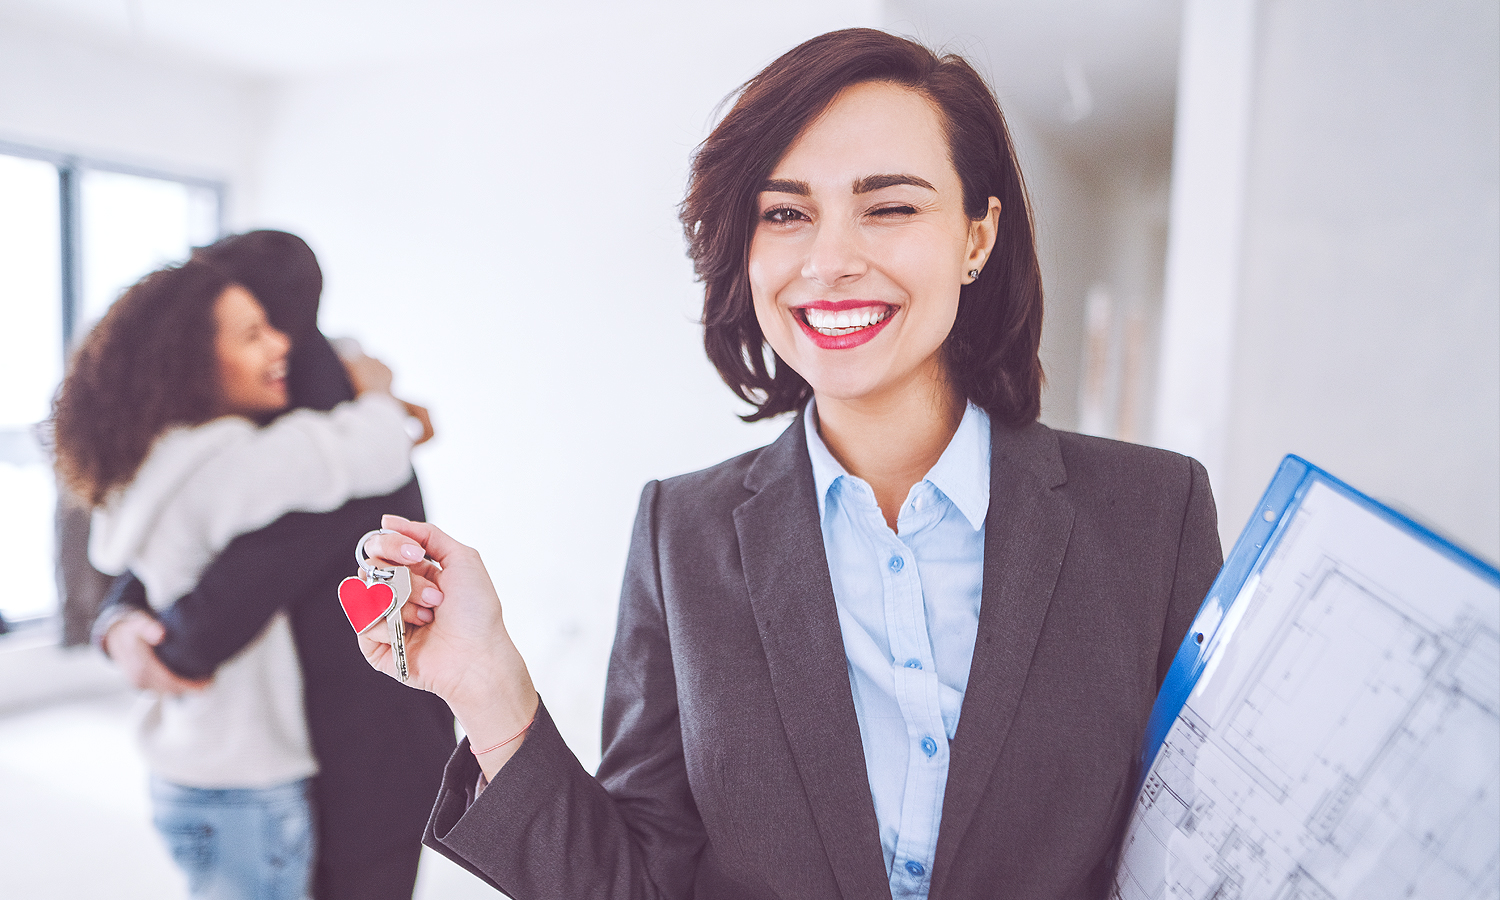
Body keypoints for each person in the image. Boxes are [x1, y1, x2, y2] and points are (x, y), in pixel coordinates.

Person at [355, 28, 1222, 900]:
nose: (831, 262)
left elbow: (1208, 851)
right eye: (785, 213)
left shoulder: (1154, 513)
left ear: (976, 236)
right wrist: (488, 687)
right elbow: (640, 884)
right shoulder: (680, 534)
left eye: (890, 206)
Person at [51, 256, 442, 899]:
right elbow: (370, 449)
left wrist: (116, 623)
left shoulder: (150, 460)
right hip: (252, 776)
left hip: (188, 762)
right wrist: (375, 390)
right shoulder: (228, 462)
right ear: (192, 361)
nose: (284, 343)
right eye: (254, 333)